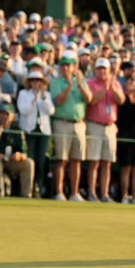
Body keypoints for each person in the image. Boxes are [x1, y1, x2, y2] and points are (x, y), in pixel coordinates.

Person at [49, 51, 91, 201]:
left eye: (68, 65)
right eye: (63, 65)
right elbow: (58, 101)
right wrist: (69, 87)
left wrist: (78, 84)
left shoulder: (81, 81)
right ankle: (59, 192)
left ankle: (74, 193)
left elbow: (89, 98)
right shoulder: (56, 83)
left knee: (76, 159)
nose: (65, 68)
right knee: (61, 159)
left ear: (74, 67)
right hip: (62, 123)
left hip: (79, 124)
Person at [85, 58, 124, 202]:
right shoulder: (90, 83)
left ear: (109, 70)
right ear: (95, 70)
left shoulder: (116, 83)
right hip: (95, 125)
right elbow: (92, 100)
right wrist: (104, 90)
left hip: (110, 126)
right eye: (99, 69)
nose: (102, 71)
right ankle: (92, 193)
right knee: (94, 162)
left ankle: (105, 193)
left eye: (104, 69)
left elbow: (121, 100)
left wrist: (113, 88)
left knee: (107, 163)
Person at [16, 69, 54, 198]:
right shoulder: (23, 94)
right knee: (30, 159)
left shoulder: (46, 95)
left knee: (41, 160)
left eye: (38, 80)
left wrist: (42, 97)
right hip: (29, 130)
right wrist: (34, 101)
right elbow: (23, 110)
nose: (36, 83)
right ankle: (29, 187)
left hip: (43, 131)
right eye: (33, 80)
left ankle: (39, 185)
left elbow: (50, 111)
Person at [0, 104, 34, 198]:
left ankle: (26, 195)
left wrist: (19, 156)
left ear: (12, 116)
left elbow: (24, 152)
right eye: (2, 114)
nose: (4, 117)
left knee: (29, 163)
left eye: (7, 114)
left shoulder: (17, 131)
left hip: (12, 161)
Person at [117, 77, 135, 204]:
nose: (132, 86)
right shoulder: (123, 101)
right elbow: (125, 113)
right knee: (126, 168)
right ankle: (124, 196)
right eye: (129, 84)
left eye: (134, 84)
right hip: (125, 137)